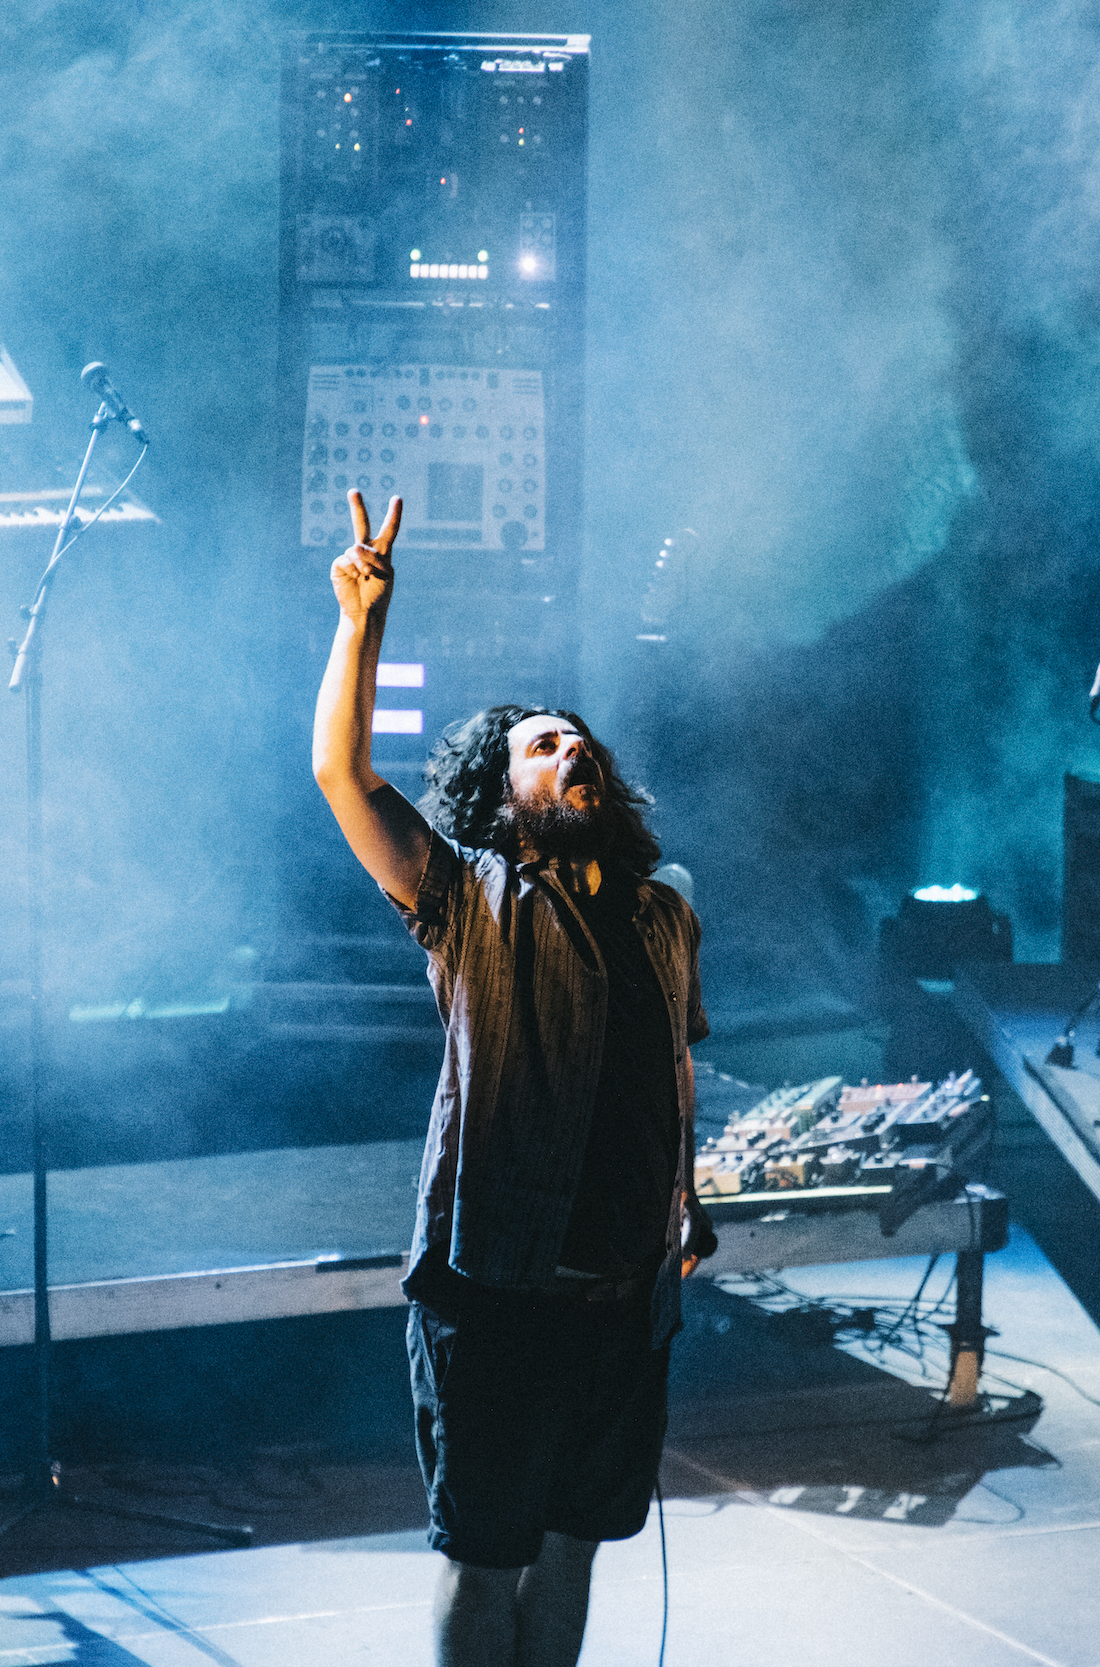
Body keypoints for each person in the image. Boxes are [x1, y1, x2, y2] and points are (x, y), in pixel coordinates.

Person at [311, 490, 715, 1667]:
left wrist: (684, 1196)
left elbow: (670, 1068)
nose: (570, 746)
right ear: (501, 794)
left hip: (623, 1297)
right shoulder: (467, 898)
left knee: (574, 1544)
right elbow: (342, 774)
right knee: (486, 1553)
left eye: (577, 737)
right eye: (540, 744)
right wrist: (361, 621)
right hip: (497, 1296)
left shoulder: (665, 909)